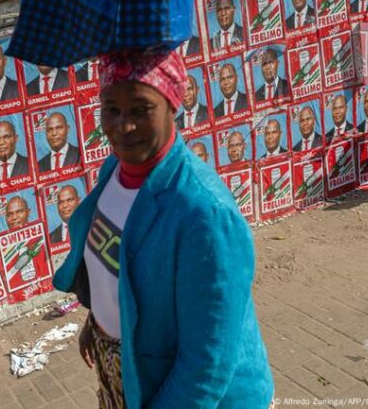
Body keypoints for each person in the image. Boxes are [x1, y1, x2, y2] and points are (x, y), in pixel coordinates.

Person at [53, 50, 272, 408]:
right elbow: (118, 261)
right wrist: (100, 323)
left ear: (173, 104)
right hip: (130, 374)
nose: (123, 127)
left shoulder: (204, 213)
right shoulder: (115, 171)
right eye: (112, 109)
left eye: (141, 109)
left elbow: (207, 365)